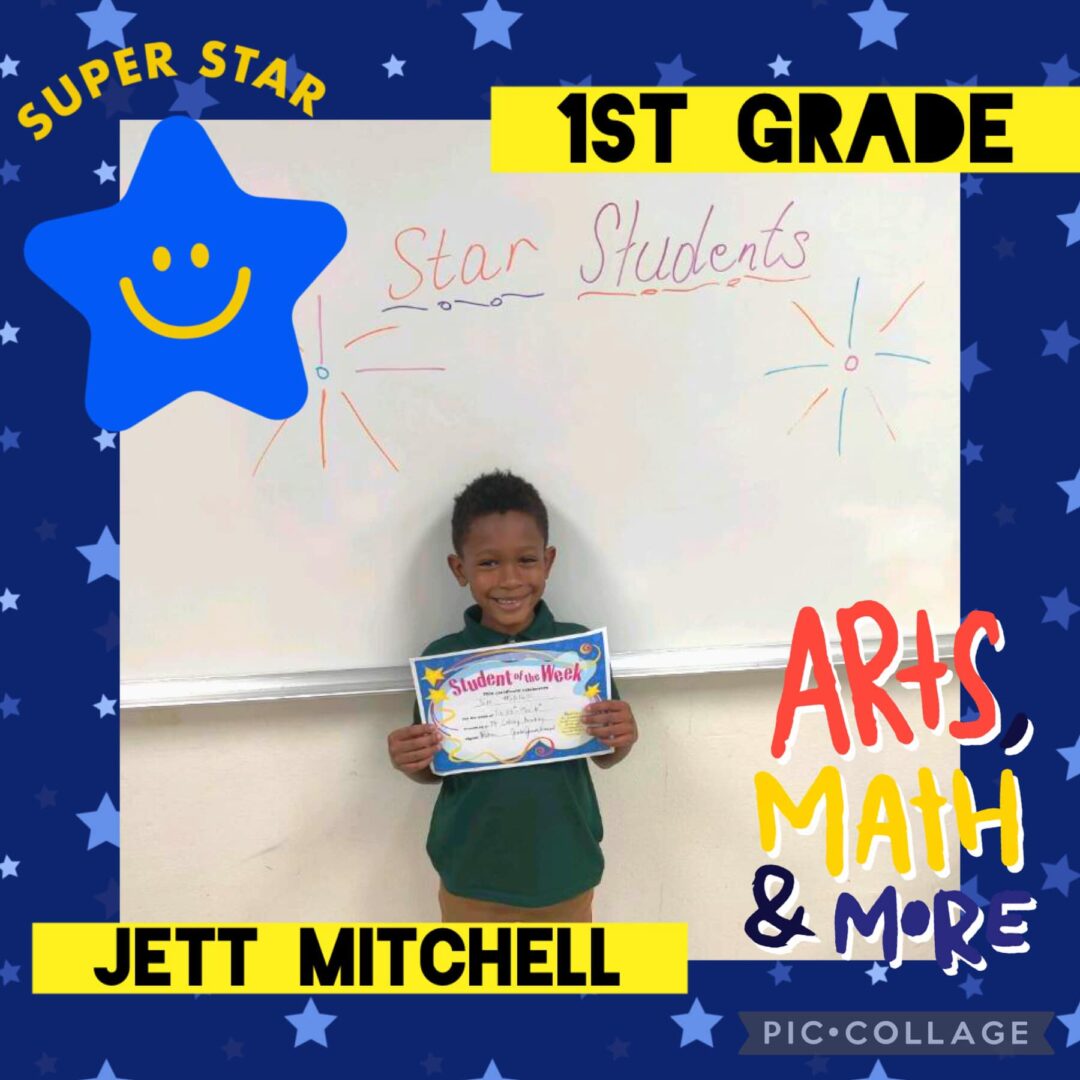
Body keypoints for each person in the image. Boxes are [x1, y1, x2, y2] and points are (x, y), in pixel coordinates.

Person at [387, 470, 638, 922]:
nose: (509, 579)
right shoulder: (440, 664)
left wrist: (624, 737)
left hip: (565, 871)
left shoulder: (579, 653)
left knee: (561, 991)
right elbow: (436, 769)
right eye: (487, 563)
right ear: (459, 569)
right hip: (470, 877)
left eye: (525, 560)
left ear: (548, 561)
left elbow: (606, 753)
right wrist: (413, 760)